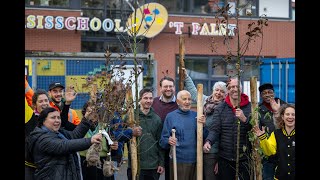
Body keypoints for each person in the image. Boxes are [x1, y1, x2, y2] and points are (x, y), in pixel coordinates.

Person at [27, 107, 102, 179]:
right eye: (53, 118)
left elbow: (74, 136)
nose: (57, 120)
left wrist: (87, 119)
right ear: (43, 121)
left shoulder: (59, 132)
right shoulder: (41, 139)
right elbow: (64, 145)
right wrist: (90, 140)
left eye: (58, 117)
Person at [203, 77, 252, 180]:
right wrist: (208, 141)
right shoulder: (221, 108)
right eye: (231, 87)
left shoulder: (250, 107)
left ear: (241, 89)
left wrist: (244, 119)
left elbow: (255, 130)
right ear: (228, 90)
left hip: (245, 158)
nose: (234, 89)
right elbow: (215, 129)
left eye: (236, 86)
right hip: (225, 158)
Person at [25, 87, 78, 180]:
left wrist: (67, 104)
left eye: (46, 100)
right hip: (30, 167)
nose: (44, 103)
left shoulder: (51, 119)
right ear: (34, 105)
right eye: (40, 101)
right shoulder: (30, 117)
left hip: (47, 167)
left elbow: (64, 123)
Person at [183, 68, 227, 180]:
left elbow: (219, 129)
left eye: (222, 92)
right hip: (197, 146)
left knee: (209, 176)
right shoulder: (205, 100)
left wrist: (205, 123)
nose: (219, 93)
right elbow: (193, 92)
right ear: (213, 90)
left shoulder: (225, 107)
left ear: (226, 95)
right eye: (217, 90)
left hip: (213, 150)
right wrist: (186, 77)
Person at [160, 90, 206, 180]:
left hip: (196, 161)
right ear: (177, 101)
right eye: (184, 99)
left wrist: (204, 126)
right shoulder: (171, 117)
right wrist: (168, 140)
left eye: (189, 99)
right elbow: (162, 141)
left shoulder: (196, 116)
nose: (187, 102)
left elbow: (204, 137)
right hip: (178, 161)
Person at [126, 88, 165, 180]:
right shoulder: (131, 117)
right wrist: (131, 132)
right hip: (135, 164)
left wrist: (161, 163)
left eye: (151, 98)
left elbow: (160, 143)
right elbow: (121, 136)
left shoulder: (157, 119)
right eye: (145, 98)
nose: (148, 101)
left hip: (153, 166)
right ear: (140, 100)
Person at [253, 103, 295, 180]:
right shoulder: (276, 134)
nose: (290, 117)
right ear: (282, 117)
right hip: (280, 176)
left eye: (293, 114)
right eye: (287, 114)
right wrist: (263, 138)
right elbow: (269, 152)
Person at [79, 101, 119, 180]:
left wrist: (114, 147)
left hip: (102, 166)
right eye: (89, 111)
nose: (92, 114)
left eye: (95, 111)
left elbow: (112, 151)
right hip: (85, 165)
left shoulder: (105, 128)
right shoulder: (79, 127)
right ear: (84, 113)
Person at [258, 83, 287, 180]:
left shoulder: (283, 105)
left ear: (274, 93)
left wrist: (278, 111)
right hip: (267, 152)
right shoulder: (258, 109)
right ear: (261, 96)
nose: (267, 95)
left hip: (283, 149)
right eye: (264, 93)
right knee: (268, 177)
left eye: (269, 92)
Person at [152, 76, 179, 180]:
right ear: (160, 88)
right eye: (165, 86)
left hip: (173, 147)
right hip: (156, 146)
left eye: (170, 86)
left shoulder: (179, 103)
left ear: (174, 88)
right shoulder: (153, 103)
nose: (168, 89)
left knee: (171, 176)